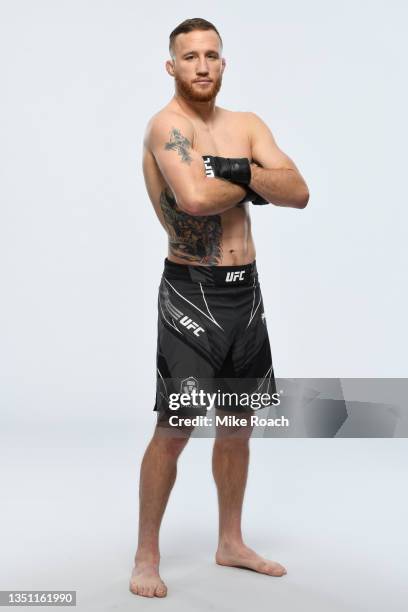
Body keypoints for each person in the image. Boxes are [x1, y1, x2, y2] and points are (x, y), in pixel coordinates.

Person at [130, 17, 309, 598]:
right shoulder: (167, 127)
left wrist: (234, 169)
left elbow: (300, 191)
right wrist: (259, 180)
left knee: (238, 427)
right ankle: (146, 555)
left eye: (211, 55)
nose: (202, 65)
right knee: (175, 426)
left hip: (245, 294)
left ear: (223, 63)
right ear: (171, 66)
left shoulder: (246, 125)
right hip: (191, 292)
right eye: (190, 57)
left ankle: (230, 542)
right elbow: (197, 198)